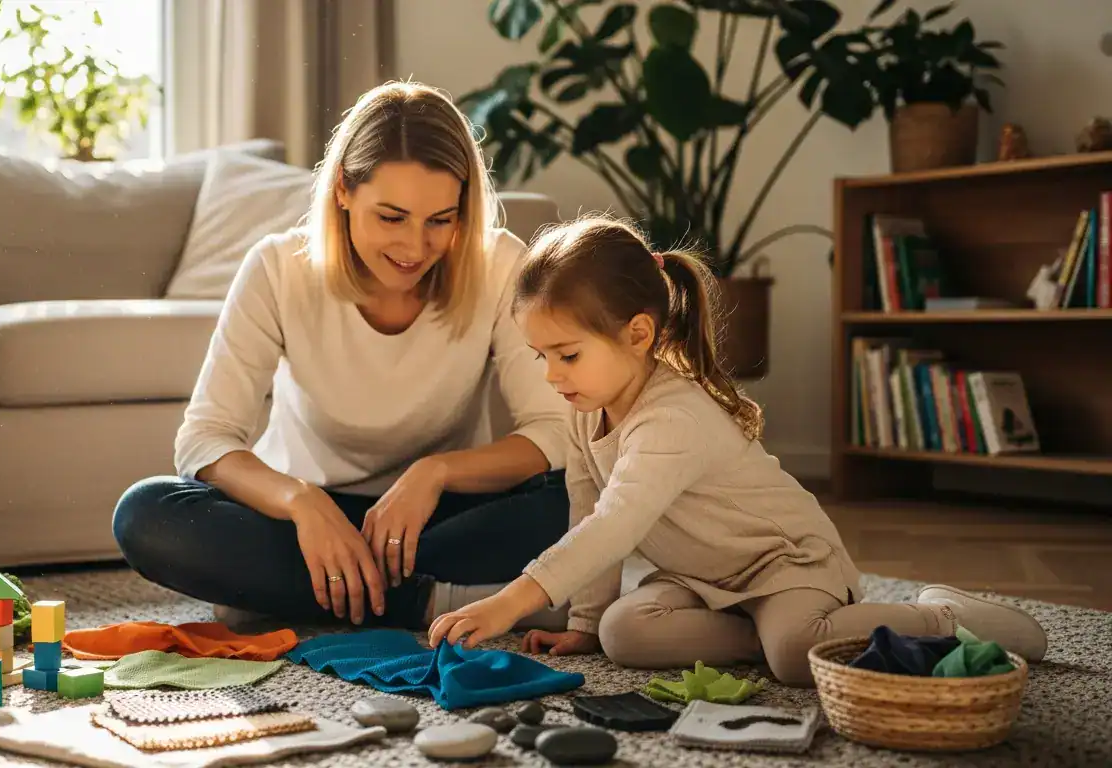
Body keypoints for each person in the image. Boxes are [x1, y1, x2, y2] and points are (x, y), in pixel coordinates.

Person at [426, 216, 1050, 686]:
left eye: (567, 354)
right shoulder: (583, 405)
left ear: (638, 333)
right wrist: (586, 623)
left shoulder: (673, 416)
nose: (551, 375)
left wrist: (513, 600)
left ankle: (936, 615)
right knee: (622, 633)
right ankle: (760, 630)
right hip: (697, 577)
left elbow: (616, 526)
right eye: (542, 356)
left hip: (784, 563)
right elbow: (589, 513)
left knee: (791, 657)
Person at [111, 81, 574, 631]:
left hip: (438, 517)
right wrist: (301, 502)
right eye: (391, 217)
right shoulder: (277, 269)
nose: (413, 248)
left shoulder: (498, 262)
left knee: (574, 499)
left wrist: (435, 472)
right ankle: (429, 603)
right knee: (145, 515)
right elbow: (205, 439)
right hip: (301, 522)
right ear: (342, 192)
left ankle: (290, 593)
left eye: (440, 221)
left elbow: (553, 430)